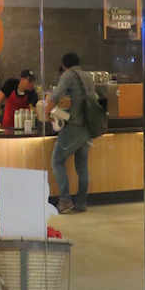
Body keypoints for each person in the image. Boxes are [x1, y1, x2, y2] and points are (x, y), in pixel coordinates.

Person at [46, 52, 97, 213]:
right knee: (82, 166)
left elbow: (55, 97)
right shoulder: (88, 76)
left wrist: (47, 113)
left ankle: (65, 200)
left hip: (74, 127)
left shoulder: (68, 76)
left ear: (64, 65)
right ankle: (81, 203)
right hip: (88, 128)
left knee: (56, 161)